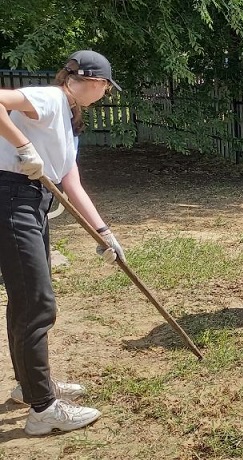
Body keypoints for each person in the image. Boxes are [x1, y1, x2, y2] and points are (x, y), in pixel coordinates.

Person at [0, 50, 124, 435]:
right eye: (105, 86)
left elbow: (71, 182)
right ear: (93, 81)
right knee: (37, 303)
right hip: (12, 198)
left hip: (33, 202)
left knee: (28, 298)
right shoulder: (51, 97)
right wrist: (22, 146)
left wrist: (104, 233)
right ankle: (44, 411)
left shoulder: (68, 117)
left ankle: (29, 386)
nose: (105, 94)